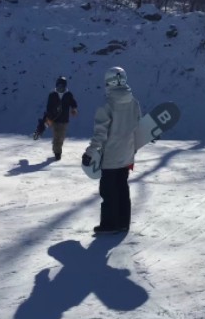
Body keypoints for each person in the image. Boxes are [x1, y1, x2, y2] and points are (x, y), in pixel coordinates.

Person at [82, 67, 142, 234]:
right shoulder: (134, 102)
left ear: (108, 83)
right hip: (127, 155)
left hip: (110, 157)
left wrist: (90, 153)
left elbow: (100, 133)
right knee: (122, 187)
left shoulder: (107, 105)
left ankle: (109, 224)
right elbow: (138, 126)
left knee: (109, 191)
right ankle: (123, 223)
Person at [44, 76, 78, 161]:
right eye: (59, 86)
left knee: (61, 137)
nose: (60, 88)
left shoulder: (68, 94)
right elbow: (48, 107)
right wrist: (48, 118)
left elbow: (73, 103)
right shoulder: (52, 95)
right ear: (56, 85)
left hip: (64, 120)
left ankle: (57, 149)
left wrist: (74, 109)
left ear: (65, 86)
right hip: (54, 119)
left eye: (62, 86)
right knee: (56, 136)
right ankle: (57, 153)